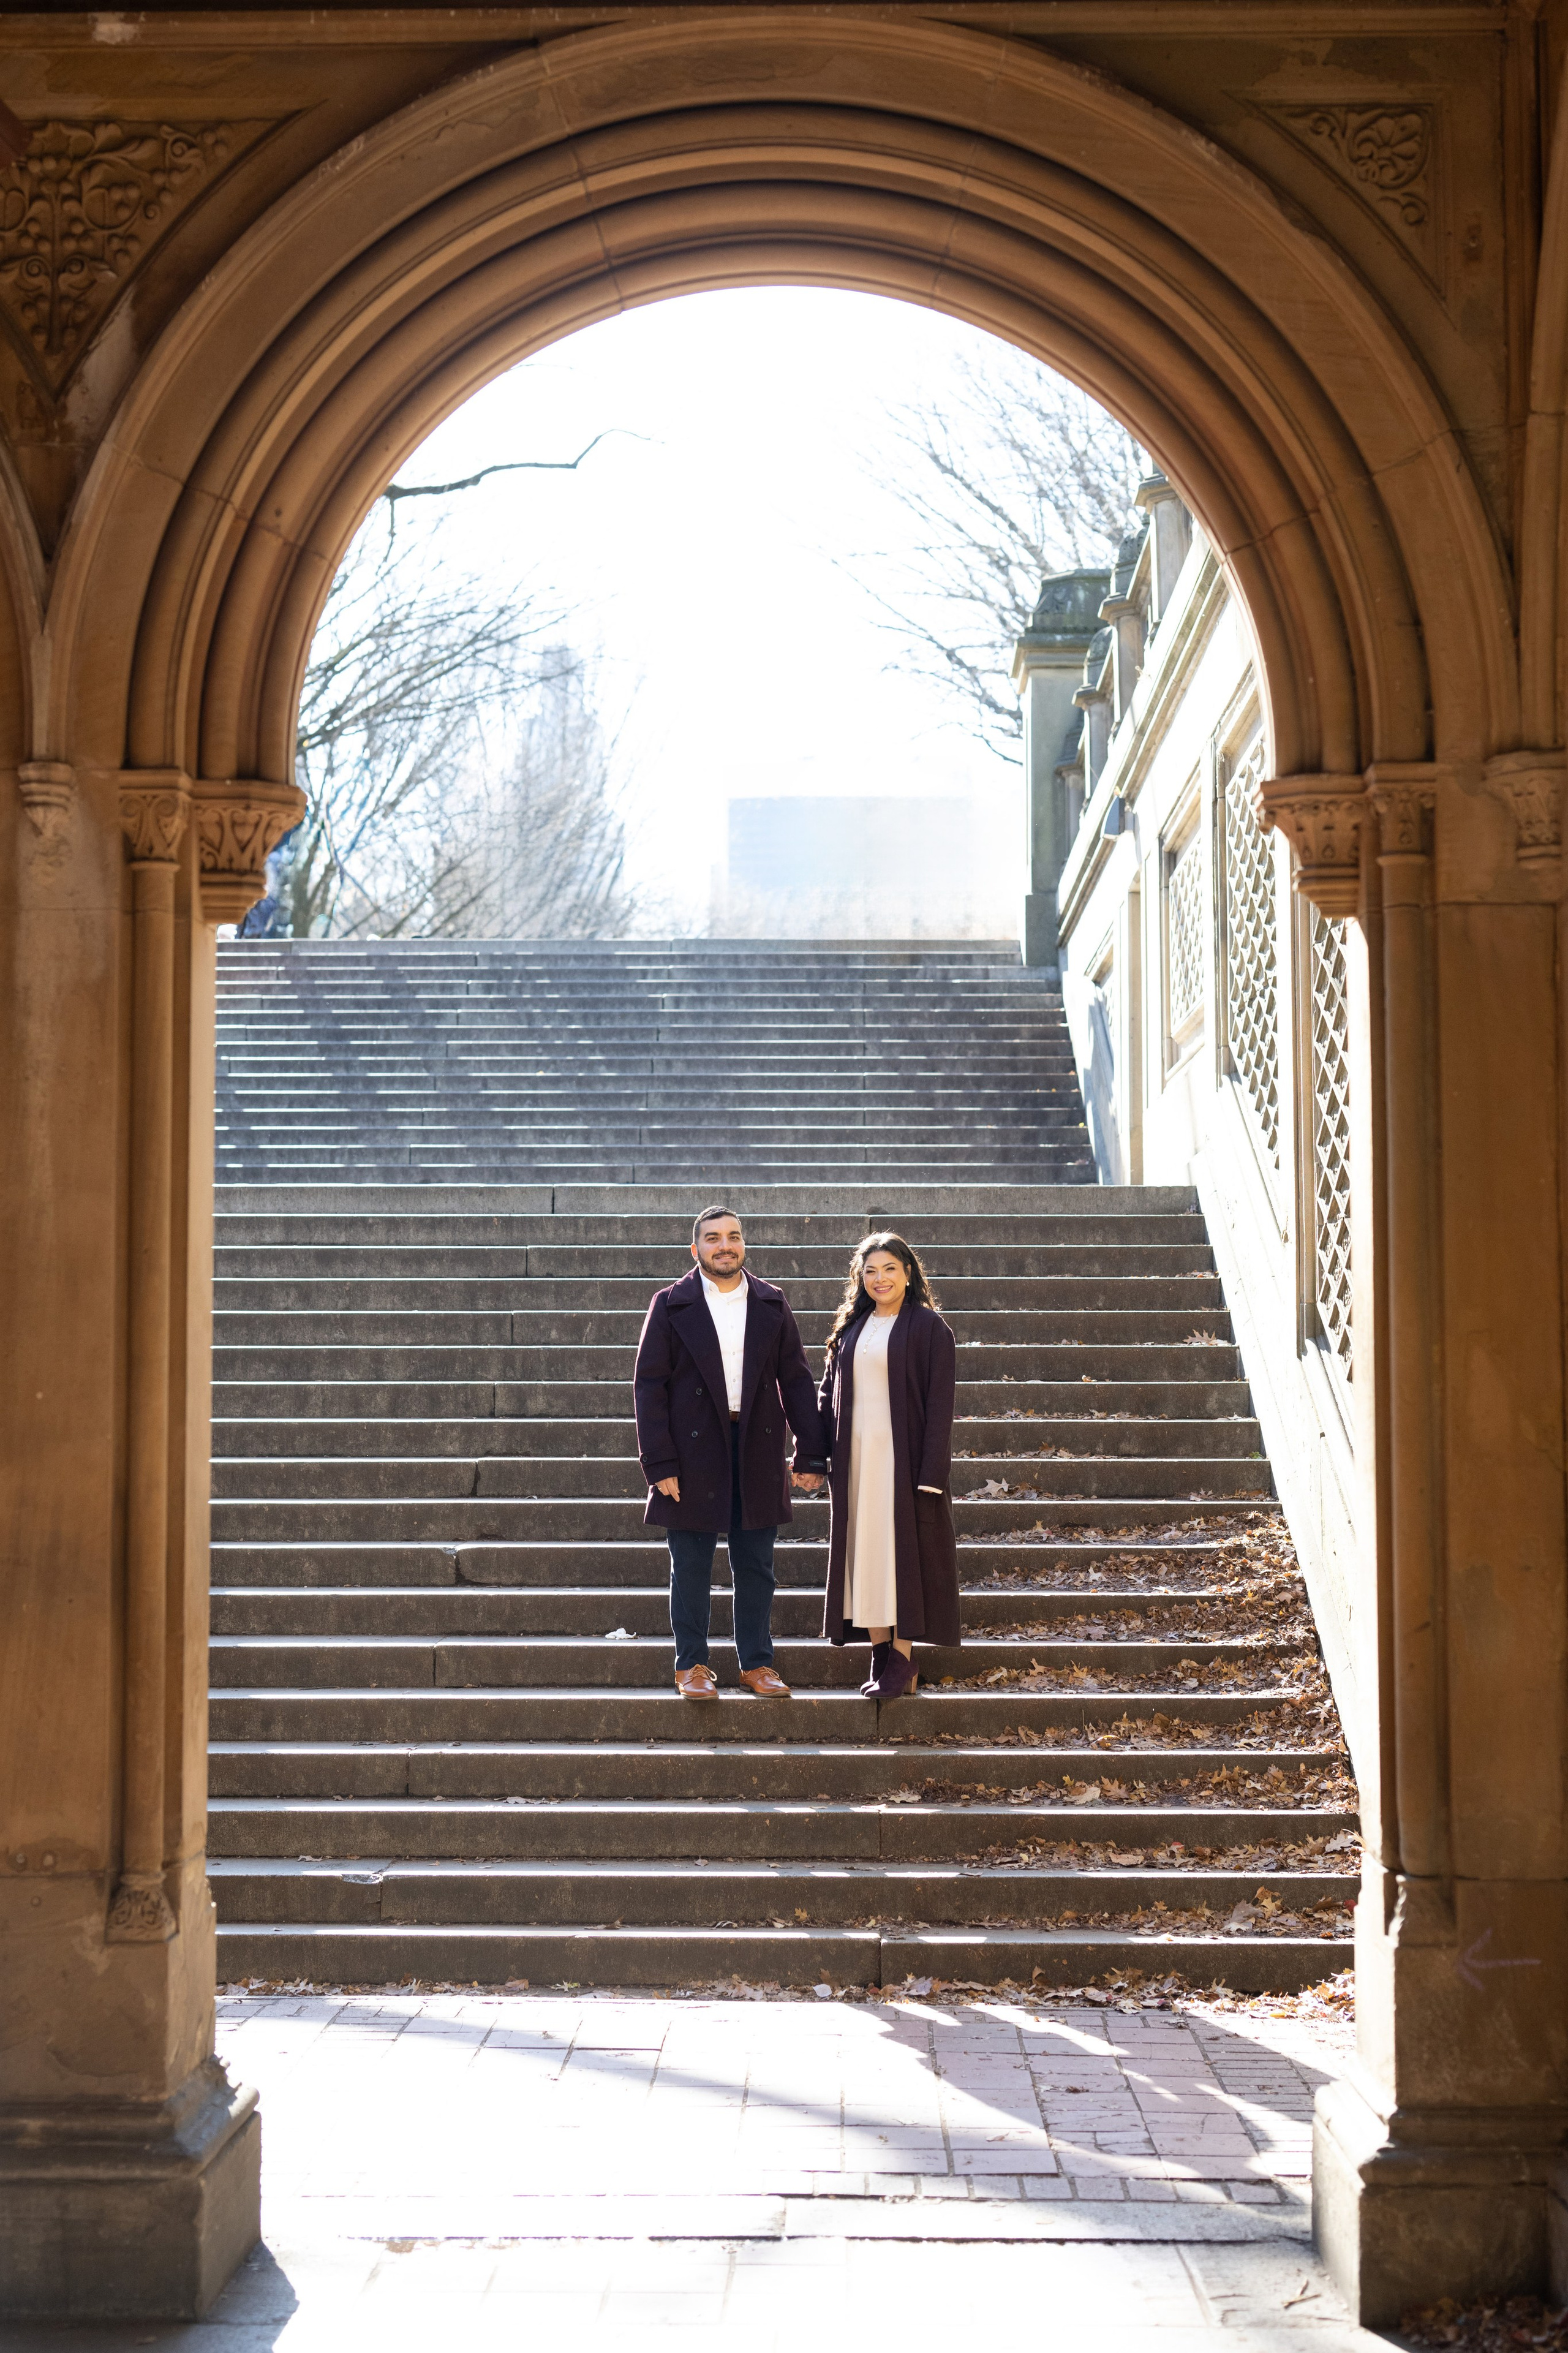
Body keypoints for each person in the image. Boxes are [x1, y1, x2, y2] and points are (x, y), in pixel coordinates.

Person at [634, 1204, 828, 1701]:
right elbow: (649, 1386)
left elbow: (797, 1381)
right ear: (695, 1248)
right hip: (694, 1447)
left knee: (757, 1562)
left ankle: (757, 1664)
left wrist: (811, 1453)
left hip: (758, 1442)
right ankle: (692, 1665)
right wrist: (660, 1463)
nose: (726, 1245)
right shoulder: (670, 1304)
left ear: (744, 1244)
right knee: (692, 1563)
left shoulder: (771, 1302)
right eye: (714, 1237)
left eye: (734, 1236)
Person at [818, 1231, 960, 1700]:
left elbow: (941, 1408)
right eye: (871, 1271)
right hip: (856, 1462)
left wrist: (930, 1477)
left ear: (909, 1272)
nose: (880, 1279)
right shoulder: (851, 1329)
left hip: (901, 1462)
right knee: (865, 1555)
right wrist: (813, 1454)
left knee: (900, 1556)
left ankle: (902, 1656)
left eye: (890, 1269)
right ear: (860, 1278)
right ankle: (881, 1653)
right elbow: (827, 1397)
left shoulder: (929, 1328)